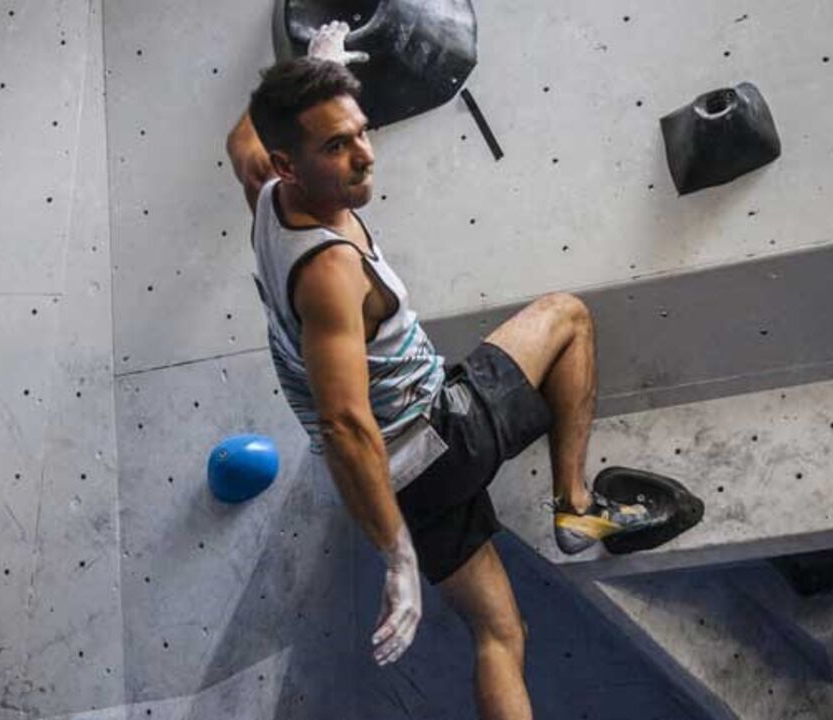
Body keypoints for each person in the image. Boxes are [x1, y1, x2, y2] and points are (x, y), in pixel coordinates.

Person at [225, 22, 702, 719]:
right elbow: (345, 423)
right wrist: (397, 559)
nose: (364, 156)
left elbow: (242, 136)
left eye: (360, 132)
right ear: (289, 164)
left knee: (502, 634)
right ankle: (575, 505)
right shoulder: (329, 271)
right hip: (442, 435)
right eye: (336, 146)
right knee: (567, 317)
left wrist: (314, 65)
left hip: (401, 488)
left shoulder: (265, 191)